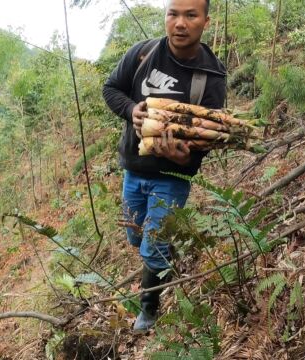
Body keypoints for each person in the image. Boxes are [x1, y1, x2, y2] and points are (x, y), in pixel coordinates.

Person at [102, 0, 226, 332]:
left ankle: (149, 306)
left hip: (172, 178)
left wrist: (184, 157)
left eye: (190, 15)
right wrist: (132, 111)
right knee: (135, 236)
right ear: (166, 17)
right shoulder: (142, 54)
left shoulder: (210, 76)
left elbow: (210, 137)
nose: (180, 23)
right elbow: (111, 89)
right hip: (133, 168)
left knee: (152, 245)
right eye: (173, 14)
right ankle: (163, 252)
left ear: (205, 21)